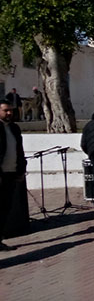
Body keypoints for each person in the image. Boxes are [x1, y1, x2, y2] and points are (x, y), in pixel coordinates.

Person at [0, 100, 26, 251]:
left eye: (10, 110)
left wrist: (21, 170)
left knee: (5, 208)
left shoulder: (14, 128)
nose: (9, 113)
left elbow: (19, 151)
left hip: (11, 173)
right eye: (5, 110)